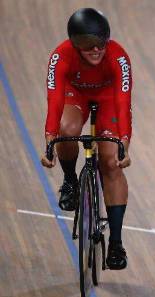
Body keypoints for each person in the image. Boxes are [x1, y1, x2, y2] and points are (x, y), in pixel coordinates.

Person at [40, 8, 133, 270]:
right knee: (67, 131)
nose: (95, 50)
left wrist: (124, 142)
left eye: (100, 43)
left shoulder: (118, 57)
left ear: (108, 39)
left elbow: (123, 102)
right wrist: (50, 140)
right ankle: (70, 181)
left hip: (109, 99)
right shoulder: (61, 56)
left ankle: (116, 243)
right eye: (85, 45)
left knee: (111, 161)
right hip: (74, 95)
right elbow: (55, 100)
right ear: (74, 44)